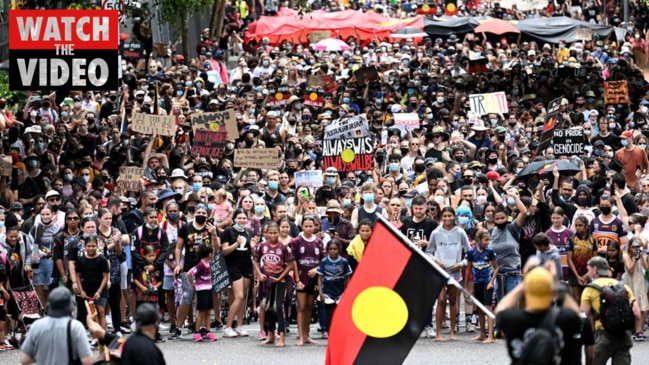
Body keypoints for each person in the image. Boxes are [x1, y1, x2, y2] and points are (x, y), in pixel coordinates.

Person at [496, 264, 582, 365]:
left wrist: (522, 286)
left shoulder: (513, 319)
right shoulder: (564, 318)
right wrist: (556, 284)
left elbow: (500, 310)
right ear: (551, 291)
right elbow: (578, 316)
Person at [580, 256, 638, 365]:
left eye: (589, 270)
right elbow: (637, 313)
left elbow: (585, 316)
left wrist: (590, 337)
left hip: (603, 336)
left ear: (595, 270)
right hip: (623, 336)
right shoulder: (623, 286)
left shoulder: (590, 289)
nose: (588, 273)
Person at [427, 206, 471, 341]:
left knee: (452, 300)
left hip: (454, 272)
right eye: (444, 216)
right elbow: (429, 252)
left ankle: (453, 331)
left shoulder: (460, 232)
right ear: (441, 217)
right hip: (439, 272)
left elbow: (469, 253)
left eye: (449, 216)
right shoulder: (435, 232)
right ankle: (439, 332)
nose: (447, 219)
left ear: (454, 217)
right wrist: (436, 260)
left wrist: (461, 264)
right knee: (440, 300)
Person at [19, 287, 93, 365]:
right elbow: (87, 360)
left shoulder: (37, 326)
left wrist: (43, 354)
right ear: (70, 308)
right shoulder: (75, 327)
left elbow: (24, 360)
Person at [464, 228, 498, 344]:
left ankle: (490, 335)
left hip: (487, 282)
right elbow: (468, 269)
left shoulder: (490, 252)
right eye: (485, 240)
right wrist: (465, 287)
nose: (487, 242)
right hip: (477, 283)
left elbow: (496, 268)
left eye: (489, 240)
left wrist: (491, 282)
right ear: (478, 240)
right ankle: (482, 333)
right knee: (480, 308)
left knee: (488, 308)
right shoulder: (471, 252)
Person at [317, 239, 352, 339]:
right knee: (328, 312)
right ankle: (326, 330)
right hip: (328, 291)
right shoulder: (324, 261)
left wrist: (347, 291)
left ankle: (338, 330)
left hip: (340, 291)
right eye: (331, 249)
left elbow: (347, 277)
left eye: (335, 249)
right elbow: (319, 277)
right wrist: (320, 292)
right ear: (327, 250)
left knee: (339, 312)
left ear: (339, 249)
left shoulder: (344, 261)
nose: (333, 251)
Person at [187, 244, 218, 342]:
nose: (213, 255)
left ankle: (208, 331)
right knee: (201, 311)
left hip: (209, 288)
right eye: (212, 253)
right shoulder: (200, 264)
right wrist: (193, 285)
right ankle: (197, 332)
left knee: (208, 311)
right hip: (201, 290)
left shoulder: (210, 263)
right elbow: (189, 273)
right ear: (209, 254)